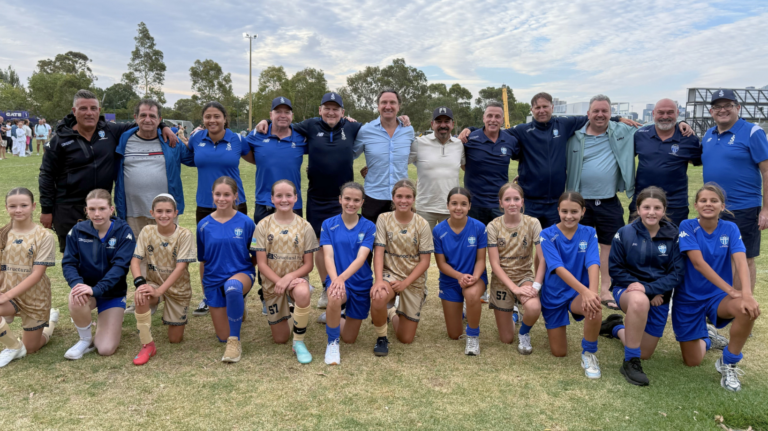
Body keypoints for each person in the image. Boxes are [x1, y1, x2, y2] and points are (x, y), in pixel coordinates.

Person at [459, 92, 639, 229]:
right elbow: (494, 129)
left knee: (552, 245)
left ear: (552, 107)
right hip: (530, 201)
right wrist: (470, 129)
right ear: (532, 110)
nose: (542, 110)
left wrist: (617, 118)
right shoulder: (522, 130)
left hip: (555, 201)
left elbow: (593, 117)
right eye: (537, 108)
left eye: (545, 106)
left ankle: (548, 279)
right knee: (526, 245)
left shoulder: (565, 124)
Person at [39, 89, 176, 252]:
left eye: (93, 108)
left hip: (102, 207)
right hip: (68, 209)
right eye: (83, 108)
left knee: (105, 256)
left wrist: (163, 126)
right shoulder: (59, 140)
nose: (89, 113)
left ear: (99, 111)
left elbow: (143, 122)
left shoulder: (110, 131)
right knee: (75, 258)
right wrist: (46, 210)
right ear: (74, 111)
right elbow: (46, 176)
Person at [673, 183, 761, 392]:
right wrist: (732, 290)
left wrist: (746, 294)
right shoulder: (687, 225)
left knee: (747, 309)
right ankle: (707, 338)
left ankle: (728, 362)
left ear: (722, 206)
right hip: (688, 300)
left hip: (717, 298)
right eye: (703, 200)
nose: (708, 204)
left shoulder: (730, 228)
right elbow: (698, 264)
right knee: (692, 361)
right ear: (696, 205)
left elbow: (741, 261)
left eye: (714, 201)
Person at [601, 187, 684, 386]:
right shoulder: (625, 233)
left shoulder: (674, 236)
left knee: (644, 351)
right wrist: (644, 291)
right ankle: (630, 362)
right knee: (638, 301)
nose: (651, 212)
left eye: (657, 207)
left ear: (664, 210)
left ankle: (615, 327)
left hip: (658, 296)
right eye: (646, 207)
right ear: (638, 209)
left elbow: (677, 273)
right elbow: (616, 269)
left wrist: (651, 289)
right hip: (627, 290)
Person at [181, 102, 250, 317]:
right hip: (205, 204)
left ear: (224, 119)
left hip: (235, 203)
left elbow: (255, 157)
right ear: (203, 120)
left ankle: (238, 295)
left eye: (217, 116)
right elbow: (187, 157)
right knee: (208, 255)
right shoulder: (196, 139)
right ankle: (208, 296)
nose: (212, 120)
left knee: (240, 251)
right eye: (208, 117)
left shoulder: (238, 139)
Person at [702, 89, 768, 297]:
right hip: (713, 208)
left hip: (744, 207)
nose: (723, 110)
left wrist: (766, 209)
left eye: (728, 106)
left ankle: (742, 307)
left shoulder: (751, 132)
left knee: (743, 258)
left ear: (737, 108)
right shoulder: (708, 135)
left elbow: (766, 171)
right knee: (717, 256)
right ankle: (722, 304)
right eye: (718, 107)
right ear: (711, 111)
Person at [62, 189, 135, 359]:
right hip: (88, 292)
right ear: (86, 210)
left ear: (111, 209)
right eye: (92, 209)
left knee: (105, 349)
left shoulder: (124, 232)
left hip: (112, 295)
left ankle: (109, 323)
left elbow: (120, 268)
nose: (97, 214)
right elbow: (69, 263)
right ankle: (85, 339)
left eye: (102, 208)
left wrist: (96, 289)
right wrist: (77, 284)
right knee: (75, 296)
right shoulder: (78, 231)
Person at [251, 180, 318, 364]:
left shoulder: (305, 227)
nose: (284, 199)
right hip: (272, 283)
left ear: (296, 198)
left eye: (288, 195)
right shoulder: (262, 226)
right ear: (272, 199)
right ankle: (289, 311)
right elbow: (261, 264)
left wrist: (288, 278)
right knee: (280, 339)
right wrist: (279, 281)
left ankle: (299, 342)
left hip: (295, 281)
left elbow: (308, 265)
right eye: (279, 196)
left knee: (303, 291)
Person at [539, 191, 603, 379]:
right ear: (558, 210)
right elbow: (557, 268)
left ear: (583, 211)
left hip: (577, 295)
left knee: (595, 307)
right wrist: (585, 291)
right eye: (564, 211)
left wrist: (591, 293)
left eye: (574, 212)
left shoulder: (589, 232)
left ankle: (589, 354)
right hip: (554, 295)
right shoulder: (546, 234)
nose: (569, 216)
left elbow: (593, 262)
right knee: (559, 352)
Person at [130, 194, 196, 366]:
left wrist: (161, 291)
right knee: (141, 295)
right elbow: (135, 261)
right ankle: (147, 345)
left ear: (176, 213)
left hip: (178, 289)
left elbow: (180, 267)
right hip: (154, 284)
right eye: (159, 211)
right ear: (152, 213)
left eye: (168, 211)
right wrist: (140, 284)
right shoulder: (147, 231)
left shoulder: (185, 234)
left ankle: (167, 311)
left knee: (175, 340)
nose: (163, 215)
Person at [196, 177, 257, 363]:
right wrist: (204, 288)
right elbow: (203, 261)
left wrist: (244, 271)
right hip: (214, 280)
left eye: (227, 194)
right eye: (218, 194)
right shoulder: (203, 226)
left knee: (232, 287)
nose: (222, 198)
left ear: (235, 196)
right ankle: (237, 306)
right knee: (221, 335)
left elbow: (256, 255)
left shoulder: (246, 223)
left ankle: (234, 341)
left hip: (240, 275)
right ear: (212, 196)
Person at [370, 179, 433, 356]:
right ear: (393, 198)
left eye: (408, 197)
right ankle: (381, 338)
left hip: (412, 279)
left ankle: (391, 312)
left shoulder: (422, 224)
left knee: (406, 338)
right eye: (399, 196)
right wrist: (379, 281)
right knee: (378, 296)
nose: (403, 200)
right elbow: (379, 252)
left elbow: (425, 262)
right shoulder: (383, 219)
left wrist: (405, 283)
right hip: (390, 274)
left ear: (413, 199)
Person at [318, 182, 376, 365]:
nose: (351, 203)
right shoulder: (328, 224)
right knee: (334, 296)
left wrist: (343, 278)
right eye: (347, 199)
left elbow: (361, 258)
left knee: (350, 338)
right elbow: (328, 255)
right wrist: (336, 280)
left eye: (356, 200)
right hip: (337, 279)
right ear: (340, 199)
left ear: (362, 202)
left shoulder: (368, 226)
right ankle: (332, 343)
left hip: (361, 282)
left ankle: (333, 316)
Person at [0, 188, 58, 367]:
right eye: (13, 206)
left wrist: (5, 296)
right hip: (8, 293)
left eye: (23, 205)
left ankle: (51, 321)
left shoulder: (44, 236)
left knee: (31, 348)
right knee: (21, 348)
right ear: (6, 207)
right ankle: (13, 346)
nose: (18, 210)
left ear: (33, 206)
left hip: (35, 297)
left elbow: (37, 274)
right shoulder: (2, 233)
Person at [487, 183, 545, 355]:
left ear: (522, 202)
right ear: (501, 203)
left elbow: (543, 259)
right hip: (501, 280)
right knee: (506, 339)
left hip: (523, 276)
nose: (512, 203)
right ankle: (513, 312)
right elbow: (494, 264)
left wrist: (535, 286)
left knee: (534, 307)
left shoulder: (533, 223)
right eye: (507, 199)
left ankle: (524, 332)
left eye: (516, 199)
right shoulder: (493, 226)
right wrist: (514, 289)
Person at [433, 187, 487, 355]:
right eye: (454, 203)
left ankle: (472, 336)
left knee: (471, 294)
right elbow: (441, 264)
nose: (459, 208)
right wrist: (459, 276)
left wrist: (474, 277)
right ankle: (465, 310)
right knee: (454, 334)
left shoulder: (478, 227)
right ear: (448, 206)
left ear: (469, 206)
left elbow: (481, 260)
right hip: (450, 280)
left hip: (474, 278)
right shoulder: (438, 230)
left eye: (463, 204)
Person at [631, 99, 701, 227]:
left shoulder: (688, 138)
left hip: (675, 205)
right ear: (653, 113)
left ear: (677, 113)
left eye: (670, 112)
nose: (665, 116)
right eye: (660, 112)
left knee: (673, 244)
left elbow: (700, 160)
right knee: (637, 243)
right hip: (642, 202)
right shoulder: (640, 135)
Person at [353, 89, 415, 225]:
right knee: (369, 243)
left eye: (392, 102)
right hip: (373, 197)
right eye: (384, 102)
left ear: (399, 107)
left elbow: (414, 157)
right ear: (378, 106)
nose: (388, 106)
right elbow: (349, 155)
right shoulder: (365, 131)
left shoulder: (408, 131)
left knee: (399, 243)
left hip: (401, 199)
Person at [410, 107, 465, 230]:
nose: (443, 125)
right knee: (422, 247)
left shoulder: (459, 145)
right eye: (438, 121)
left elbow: (466, 166)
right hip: (424, 208)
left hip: (451, 208)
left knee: (448, 248)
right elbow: (399, 163)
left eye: (446, 121)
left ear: (452, 124)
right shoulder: (419, 143)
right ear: (432, 124)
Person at [462, 102, 517, 226]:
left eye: (497, 116)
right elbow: (461, 162)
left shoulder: (510, 140)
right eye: (489, 116)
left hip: (500, 204)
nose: (493, 120)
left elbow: (522, 158)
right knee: (474, 244)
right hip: (474, 204)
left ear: (502, 120)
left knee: (500, 243)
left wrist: (522, 175)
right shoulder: (470, 139)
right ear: (483, 118)